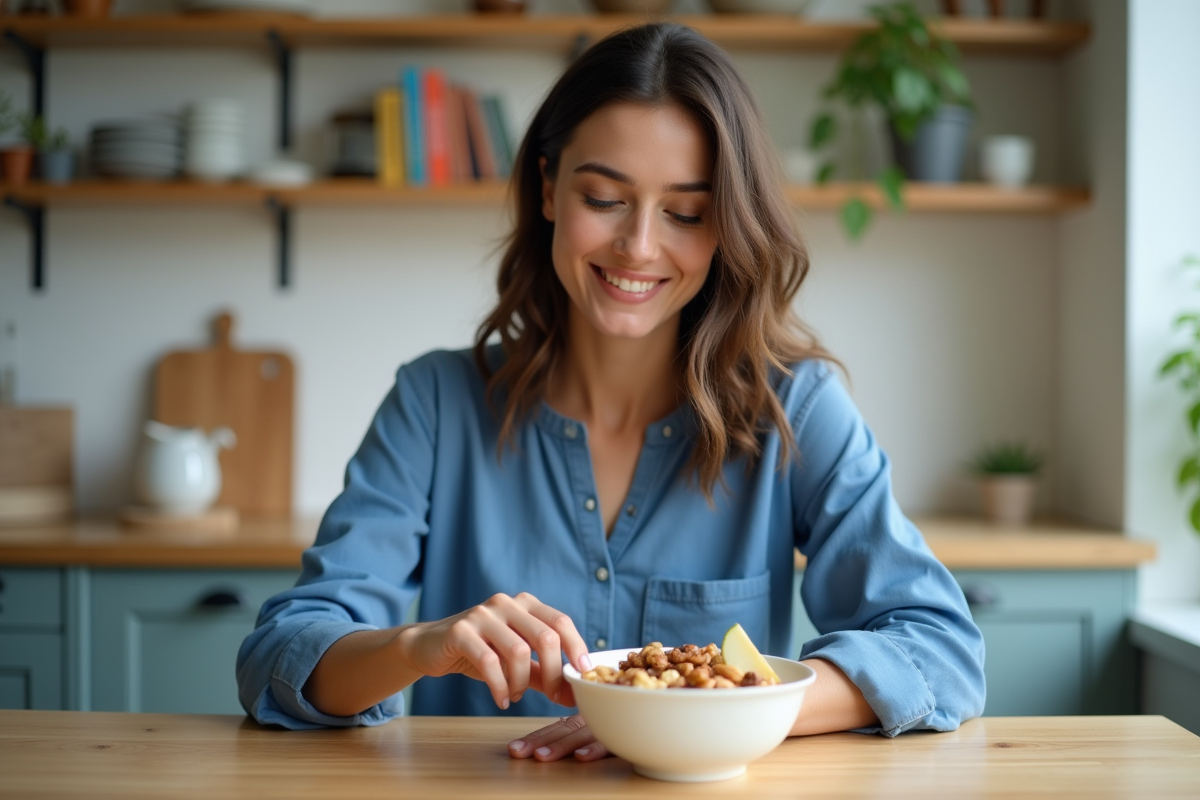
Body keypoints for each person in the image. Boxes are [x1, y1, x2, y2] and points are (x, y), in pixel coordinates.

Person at [236, 21, 986, 762]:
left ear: (726, 226)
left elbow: (941, 652)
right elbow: (279, 655)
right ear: (549, 189)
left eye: (686, 213)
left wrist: (708, 703)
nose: (638, 247)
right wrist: (415, 646)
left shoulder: (796, 409)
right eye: (603, 198)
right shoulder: (435, 402)